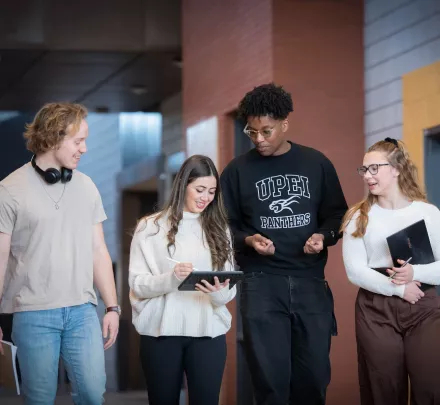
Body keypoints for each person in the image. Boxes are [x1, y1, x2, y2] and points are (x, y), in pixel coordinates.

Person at [220, 83, 348, 405]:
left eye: (267, 131)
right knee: (270, 385)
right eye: (252, 132)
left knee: (314, 381)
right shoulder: (236, 171)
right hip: (261, 284)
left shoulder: (316, 164)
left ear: (284, 124)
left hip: (310, 284)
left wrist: (323, 236)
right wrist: (248, 239)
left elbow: (337, 215)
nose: (259, 139)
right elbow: (223, 226)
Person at [0, 102, 120, 405]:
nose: (85, 149)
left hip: (82, 311)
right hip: (32, 312)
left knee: (93, 395)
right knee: (39, 399)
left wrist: (112, 307)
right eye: (78, 141)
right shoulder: (9, 190)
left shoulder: (87, 186)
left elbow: (98, 249)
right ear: (53, 138)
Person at [128, 154, 236, 405]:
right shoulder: (150, 227)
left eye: (211, 191)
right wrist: (171, 279)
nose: (205, 197)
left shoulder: (220, 229)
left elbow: (227, 294)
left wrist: (218, 291)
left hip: (208, 334)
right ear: (183, 185)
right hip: (161, 335)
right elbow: (137, 284)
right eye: (199, 189)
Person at [341, 138, 440, 405]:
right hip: (376, 308)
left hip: (423, 304)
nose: (368, 176)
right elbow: (355, 271)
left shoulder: (428, 213)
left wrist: (414, 273)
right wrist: (398, 288)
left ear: (396, 168)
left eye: (375, 168)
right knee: (382, 387)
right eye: (364, 170)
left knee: (431, 385)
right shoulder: (357, 216)